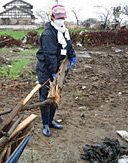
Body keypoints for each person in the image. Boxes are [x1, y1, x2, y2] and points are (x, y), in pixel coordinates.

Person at [36, 5, 76, 137]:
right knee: (46, 96)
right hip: (46, 69)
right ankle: (45, 124)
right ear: (52, 17)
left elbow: (68, 44)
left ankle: (51, 120)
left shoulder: (64, 30)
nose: (61, 20)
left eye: (62, 18)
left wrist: (73, 56)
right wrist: (53, 72)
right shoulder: (48, 33)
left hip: (59, 68)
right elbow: (49, 55)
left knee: (56, 95)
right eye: (58, 18)